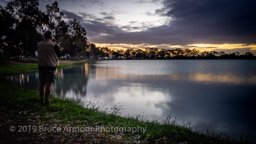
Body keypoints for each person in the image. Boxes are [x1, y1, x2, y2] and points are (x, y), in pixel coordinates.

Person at [37, 31, 61, 106]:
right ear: (51, 37)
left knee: (41, 84)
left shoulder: (39, 44)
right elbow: (59, 54)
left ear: (44, 36)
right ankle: (47, 101)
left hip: (41, 66)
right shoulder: (54, 44)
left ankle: (41, 99)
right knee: (48, 84)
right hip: (50, 66)